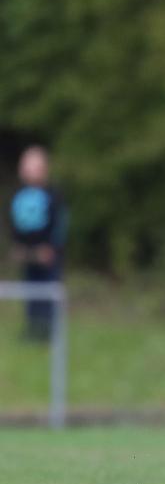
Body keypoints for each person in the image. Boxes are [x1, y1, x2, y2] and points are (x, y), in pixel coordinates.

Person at [8, 146, 65, 341]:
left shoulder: (53, 195)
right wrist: (18, 247)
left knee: (48, 291)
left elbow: (58, 224)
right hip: (28, 254)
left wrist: (52, 248)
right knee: (30, 292)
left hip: (47, 255)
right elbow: (15, 224)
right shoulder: (18, 195)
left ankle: (49, 331)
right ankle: (33, 329)